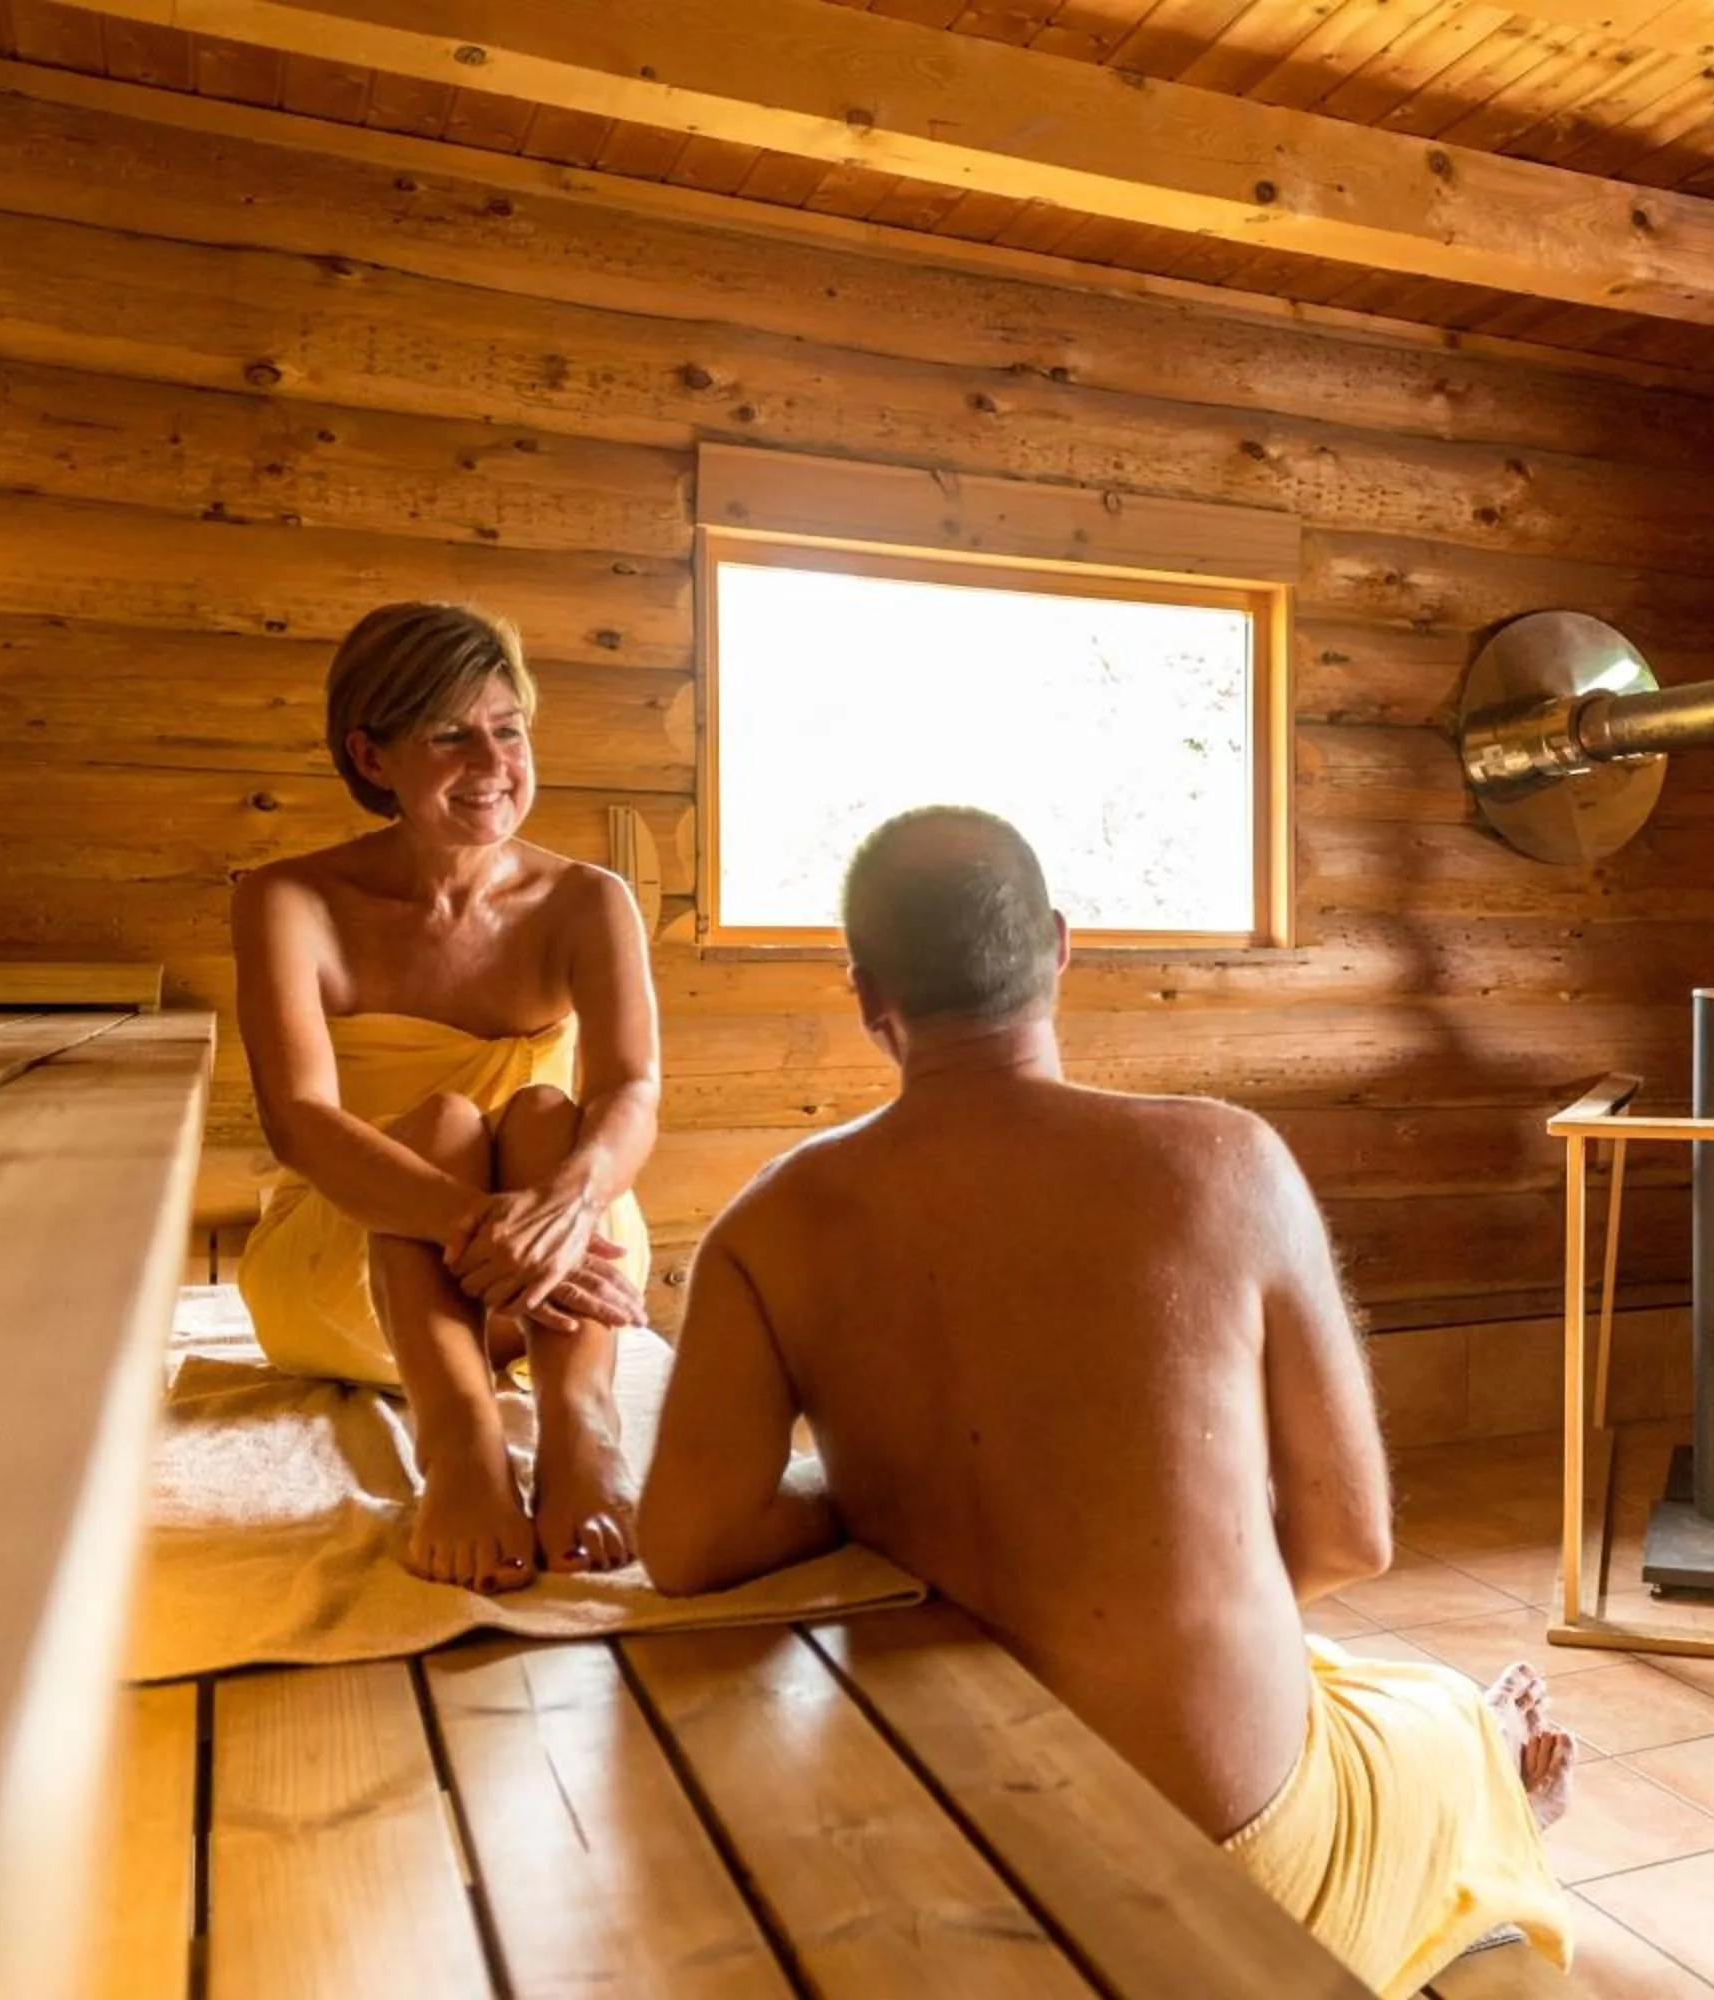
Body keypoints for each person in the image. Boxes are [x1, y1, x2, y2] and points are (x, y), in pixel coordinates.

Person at [636, 806, 1573, 1996]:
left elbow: (684, 1541)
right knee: (1433, 1704)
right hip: (1225, 1866)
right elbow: (1352, 1534)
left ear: (870, 993)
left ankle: (1467, 1775)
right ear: (1061, 949)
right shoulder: (1226, 1162)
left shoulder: (768, 1222)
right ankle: (1492, 1787)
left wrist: (861, 1498)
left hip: (965, 1847)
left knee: (1349, 1674)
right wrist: (1157, 1605)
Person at [232, 601, 661, 1592]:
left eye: (507, 728)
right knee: (444, 1123)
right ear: (373, 757)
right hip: (351, 1269)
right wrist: (483, 1223)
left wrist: (567, 1206)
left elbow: (632, 1086)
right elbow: (297, 1121)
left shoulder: (588, 899)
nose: (494, 760)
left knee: (552, 1117)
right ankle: (460, 1437)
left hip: (558, 1260)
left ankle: (580, 1421)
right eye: (450, 734)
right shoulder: (287, 900)